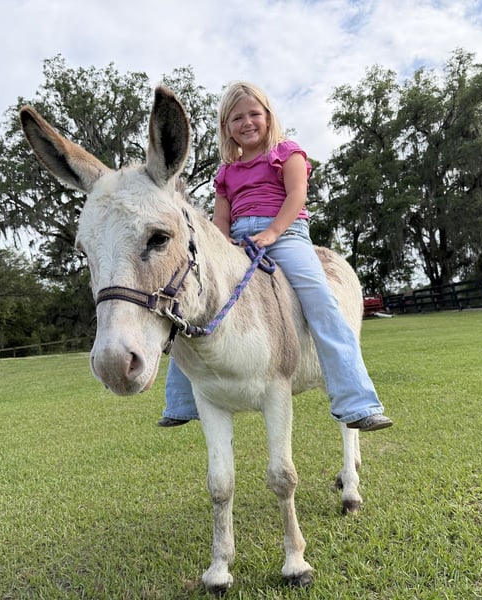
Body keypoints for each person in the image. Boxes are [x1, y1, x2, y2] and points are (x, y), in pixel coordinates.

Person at [158, 81, 393, 432]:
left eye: (254, 114)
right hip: (239, 240)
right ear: (226, 127)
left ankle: (357, 402)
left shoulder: (287, 152)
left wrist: (272, 233)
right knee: (194, 298)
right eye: (237, 118)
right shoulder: (227, 172)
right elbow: (221, 218)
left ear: (268, 117)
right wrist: (222, 245)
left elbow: (296, 196)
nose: (247, 122)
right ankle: (181, 401)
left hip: (287, 234)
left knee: (321, 302)